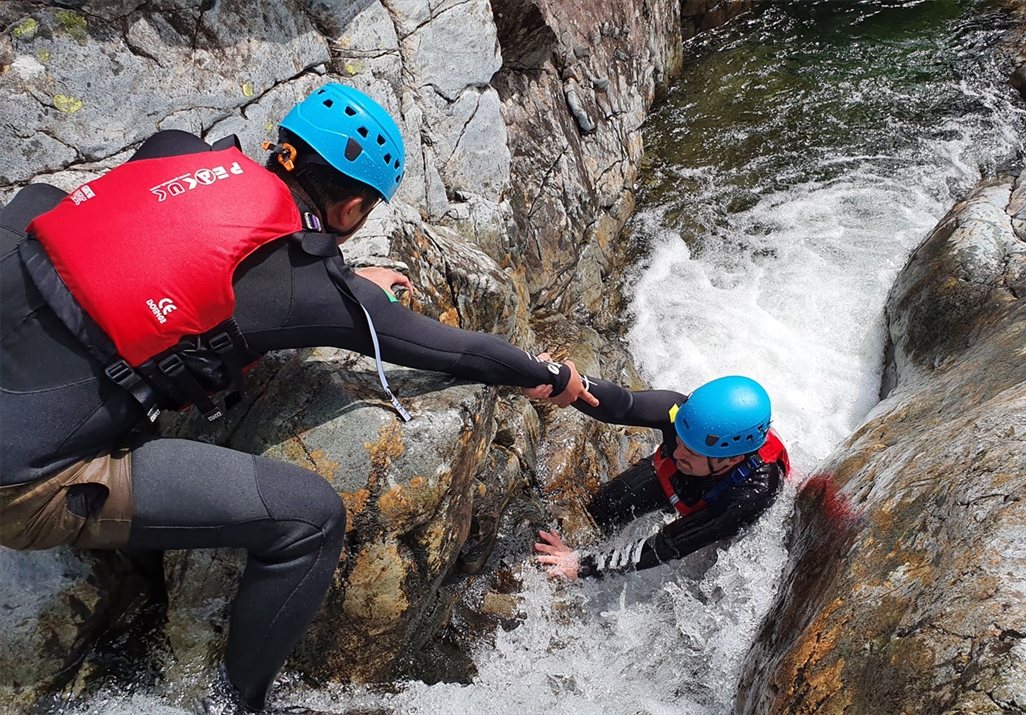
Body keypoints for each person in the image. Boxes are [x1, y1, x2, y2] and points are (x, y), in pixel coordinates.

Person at [0, 83, 596, 712]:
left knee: (43, 204)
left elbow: (169, 243)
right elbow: (456, 350)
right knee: (311, 519)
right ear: (350, 212)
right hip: (22, 481)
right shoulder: (305, 290)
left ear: (282, 146)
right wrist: (550, 375)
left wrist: (337, 282)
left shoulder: (176, 153)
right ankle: (240, 702)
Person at [532, 373, 790, 579]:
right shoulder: (681, 413)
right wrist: (560, 380)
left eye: (691, 451)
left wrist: (582, 566)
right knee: (601, 511)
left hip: (722, 506)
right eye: (678, 439)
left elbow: (666, 545)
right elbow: (622, 405)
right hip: (678, 483)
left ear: (732, 459)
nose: (677, 453)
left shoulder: (752, 493)